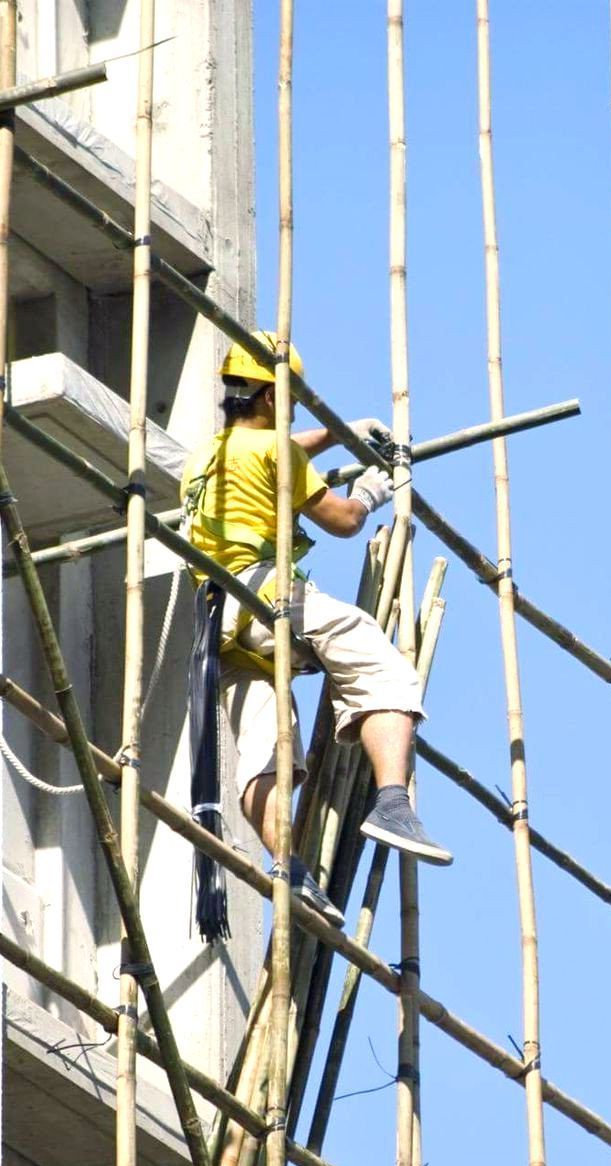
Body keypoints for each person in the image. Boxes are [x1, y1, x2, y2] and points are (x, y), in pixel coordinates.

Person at [180, 330, 453, 877]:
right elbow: (344, 521)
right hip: (267, 593)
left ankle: (287, 867)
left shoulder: (205, 457)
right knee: (385, 670)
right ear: (269, 397)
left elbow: (272, 452)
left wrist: (337, 434)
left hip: (218, 620)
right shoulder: (272, 450)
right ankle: (393, 802)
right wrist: (372, 492)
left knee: (265, 744)